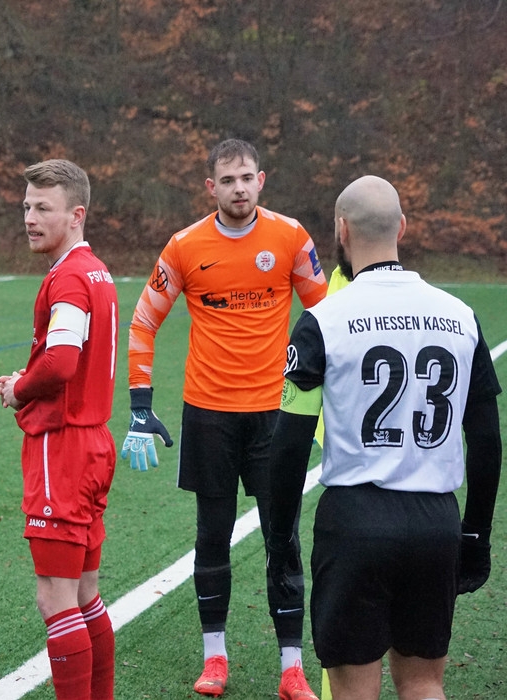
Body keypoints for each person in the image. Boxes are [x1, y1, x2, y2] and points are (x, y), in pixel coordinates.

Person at [265, 175, 503, 700]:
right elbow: (486, 439)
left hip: (355, 522)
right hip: (435, 523)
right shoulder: (461, 318)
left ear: (341, 230)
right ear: (402, 227)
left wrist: (279, 542)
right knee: (424, 685)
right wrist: (475, 534)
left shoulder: (322, 321)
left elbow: (289, 445)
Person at [122, 139, 328, 698]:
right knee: (211, 537)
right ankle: (215, 659)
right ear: (211, 187)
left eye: (247, 177)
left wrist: (333, 398)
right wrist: (140, 403)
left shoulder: (291, 238)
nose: (239, 188)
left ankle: (291, 668)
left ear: (262, 179)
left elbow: (326, 316)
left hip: (276, 416)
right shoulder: (185, 246)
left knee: (283, 540)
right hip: (208, 414)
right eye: (228, 180)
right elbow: (143, 322)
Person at [0, 159, 119, 700]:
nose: (30, 217)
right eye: (27, 206)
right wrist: (26, 377)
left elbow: (63, 361)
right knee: (85, 594)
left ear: (76, 215)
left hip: (62, 448)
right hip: (92, 443)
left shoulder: (67, 276)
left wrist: (20, 389)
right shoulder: (97, 271)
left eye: (43, 208)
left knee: (55, 599)